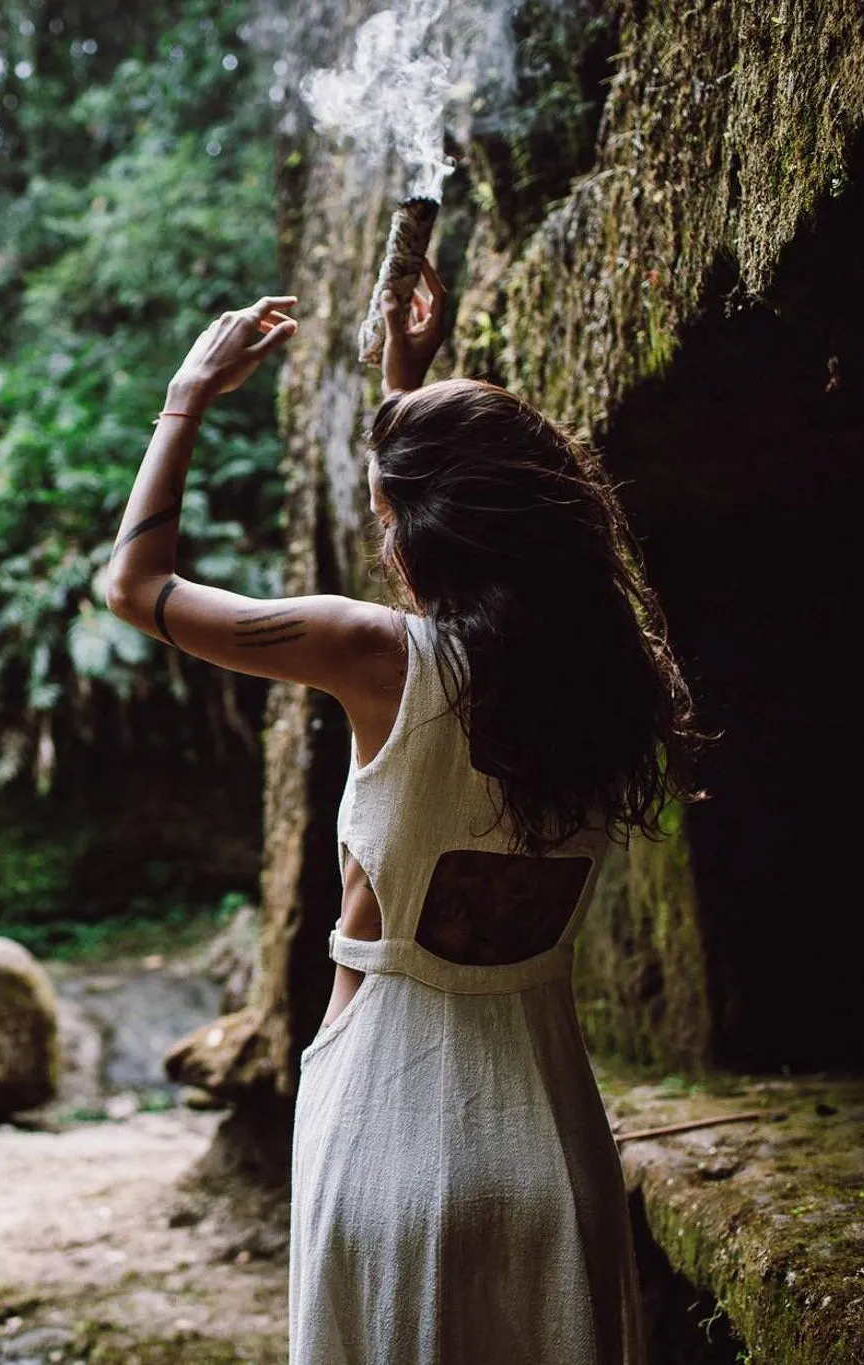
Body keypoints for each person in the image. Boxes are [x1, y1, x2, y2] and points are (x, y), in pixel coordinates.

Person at [102, 261, 700, 1364]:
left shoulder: (374, 658)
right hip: (552, 1154)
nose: (381, 542)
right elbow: (457, 600)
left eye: (387, 515)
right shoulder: (616, 680)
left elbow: (131, 590)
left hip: (387, 1134)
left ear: (412, 528)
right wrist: (404, 386)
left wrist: (185, 396)